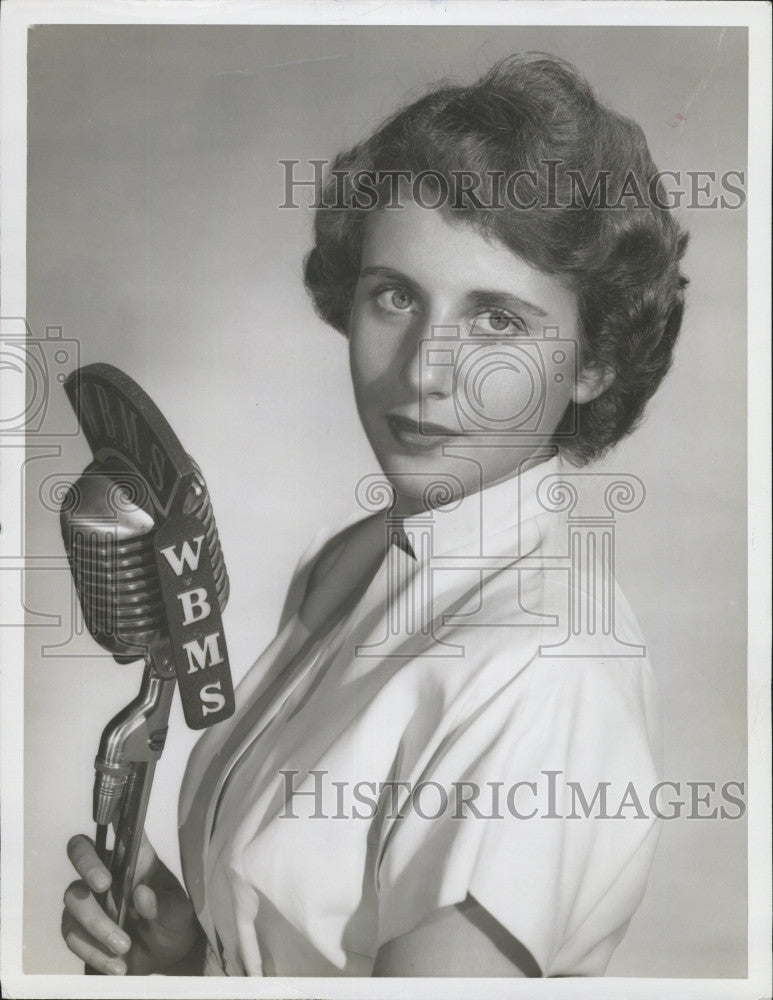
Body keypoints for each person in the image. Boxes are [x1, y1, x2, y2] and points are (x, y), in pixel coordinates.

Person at [61, 52, 688, 977]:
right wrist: (193, 958)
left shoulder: (549, 675)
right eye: (395, 296)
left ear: (592, 362)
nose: (425, 369)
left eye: (497, 321)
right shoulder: (350, 561)